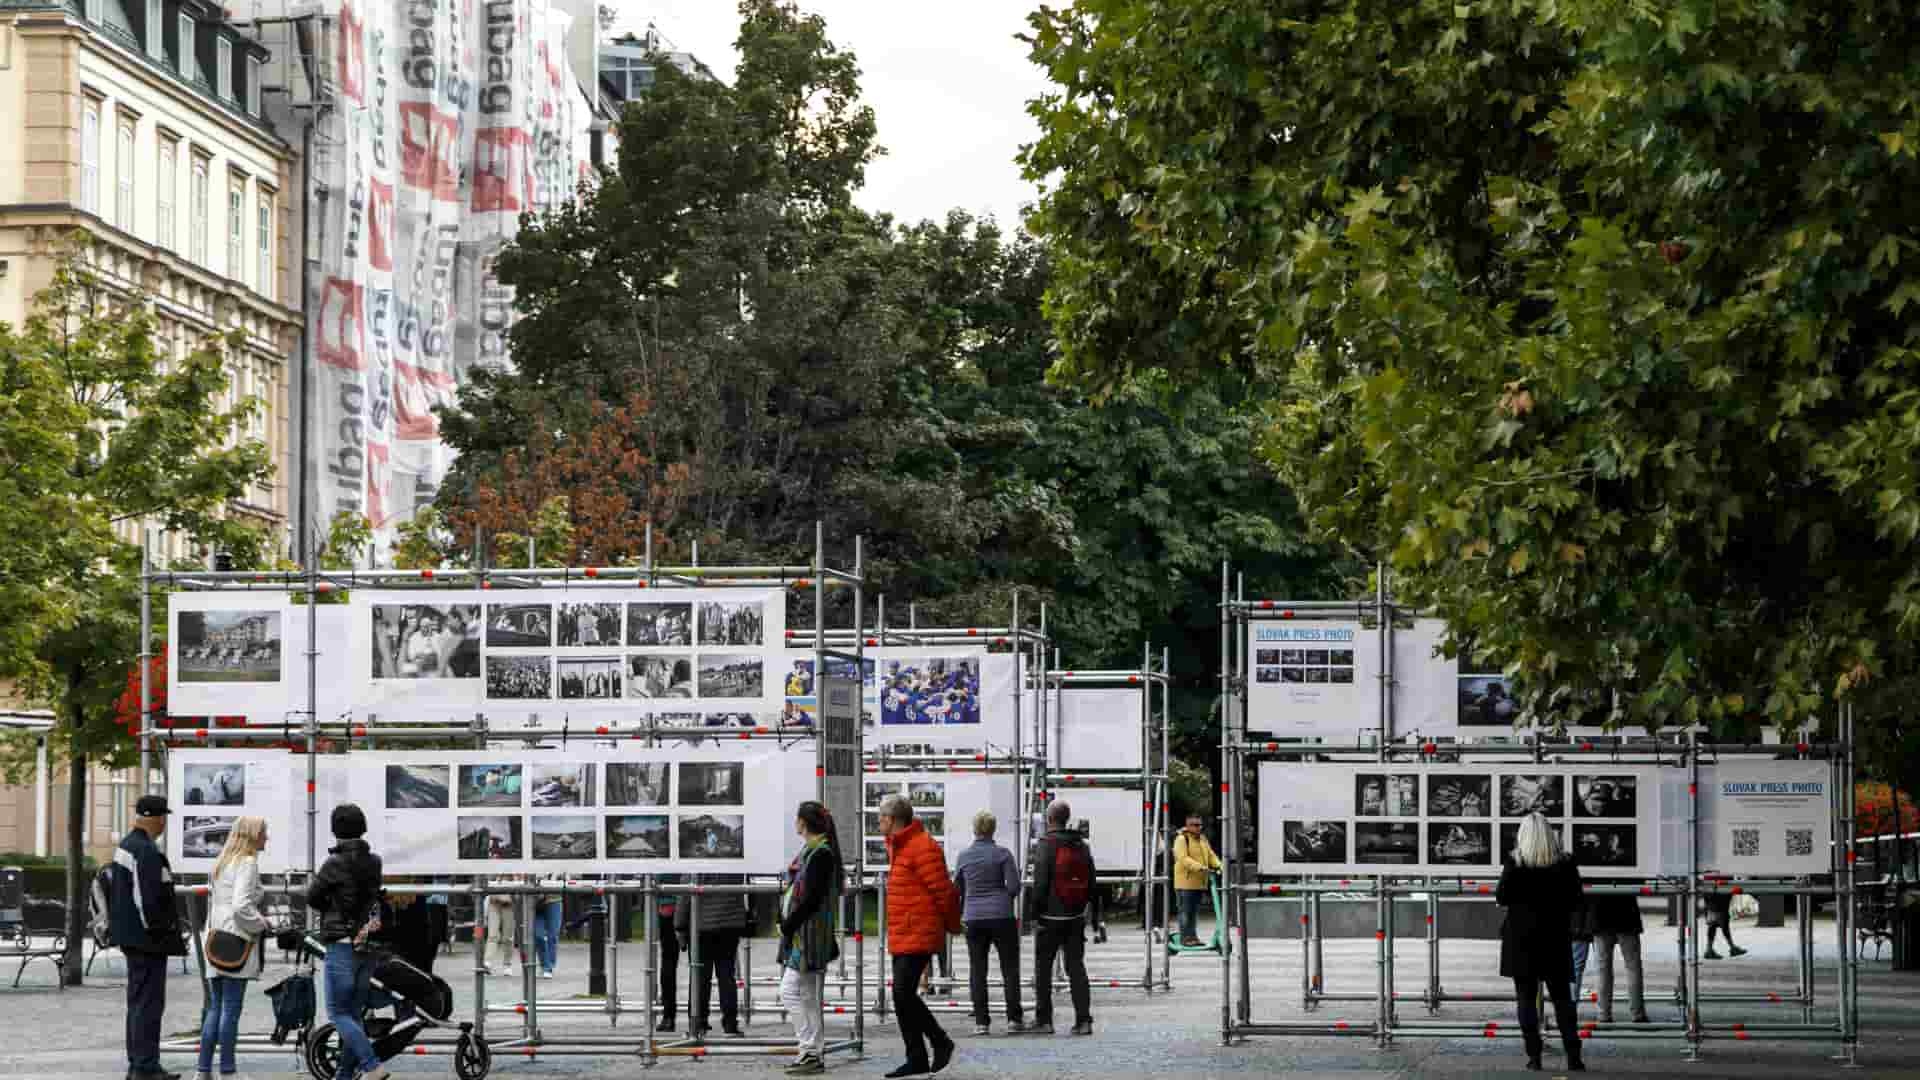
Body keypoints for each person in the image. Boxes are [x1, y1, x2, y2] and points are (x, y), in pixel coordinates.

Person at [1497, 813, 1586, 1072]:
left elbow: (1502, 896)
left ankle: (1534, 1057)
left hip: (1521, 940)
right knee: (1562, 999)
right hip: (1555, 938)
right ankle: (1573, 1056)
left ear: (1523, 836)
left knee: (1525, 999)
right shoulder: (1565, 862)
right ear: (1550, 835)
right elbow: (1576, 899)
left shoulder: (1515, 862)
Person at [308, 803, 390, 1080]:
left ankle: (371, 1065)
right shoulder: (375, 861)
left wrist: (331, 901)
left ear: (335, 830)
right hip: (367, 944)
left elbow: (312, 897)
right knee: (353, 1015)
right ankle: (344, 1075)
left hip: (341, 943)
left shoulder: (334, 863)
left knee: (337, 1012)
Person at [879, 793, 959, 1077]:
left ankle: (940, 1042)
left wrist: (952, 925)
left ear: (893, 819)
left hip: (918, 931)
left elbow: (943, 891)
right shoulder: (900, 847)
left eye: (881, 817)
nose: (878, 822)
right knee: (901, 995)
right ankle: (917, 1056)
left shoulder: (922, 847)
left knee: (902, 992)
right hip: (906, 931)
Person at [111, 794, 186, 1080]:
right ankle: (145, 1067)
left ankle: (139, 1064)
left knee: (138, 1003)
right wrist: (160, 931)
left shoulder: (127, 846)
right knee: (149, 1005)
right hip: (148, 941)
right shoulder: (145, 851)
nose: (164, 823)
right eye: (163, 817)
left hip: (134, 939)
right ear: (154, 818)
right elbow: (146, 900)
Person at [197, 816, 270, 1080]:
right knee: (231, 1009)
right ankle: (228, 1071)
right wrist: (261, 923)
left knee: (215, 1008)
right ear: (252, 835)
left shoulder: (222, 862)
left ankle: (203, 1070)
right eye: (264, 832)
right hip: (237, 938)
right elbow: (241, 906)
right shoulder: (247, 862)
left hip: (215, 936)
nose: (267, 837)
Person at [779, 803, 843, 1076]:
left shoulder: (820, 854)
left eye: (797, 819)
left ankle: (808, 1048)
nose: (795, 823)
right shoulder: (814, 852)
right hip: (807, 935)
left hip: (808, 936)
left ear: (803, 823)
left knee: (790, 991)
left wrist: (789, 924)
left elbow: (811, 899)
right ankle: (813, 1051)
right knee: (807, 996)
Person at [953, 810, 1024, 1036]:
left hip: (973, 917)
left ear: (975, 829)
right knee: (1010, 969)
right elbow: (1014, 886)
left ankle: (982, 1022)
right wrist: (1002, 898)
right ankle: (1014, 1019)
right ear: (993, 830)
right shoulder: (1003, 854)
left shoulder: (963, 856)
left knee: (977, 969)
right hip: (1002, 916)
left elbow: (958, 889)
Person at [1029, 800, 1096, 1036]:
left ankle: (1044, 1020)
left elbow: (1040, 883)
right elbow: (1092, 879)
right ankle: (1084, 1020)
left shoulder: (1046, 844)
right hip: (1075, 915)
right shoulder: (1081, 844)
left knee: (1044, 969)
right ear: (1066, 819)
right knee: (1076, 967)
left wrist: (1033, 915)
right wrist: (1091, 912)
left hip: (1050, 917)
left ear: (1049, 819)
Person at [677, 873, 750, 1037]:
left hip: (701, 926)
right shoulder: (734, 862)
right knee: (727, 977)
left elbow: (684, 896)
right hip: (729, 925)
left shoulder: (694, 861)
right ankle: (730, 1023)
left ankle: (698, 1022)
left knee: (700, 978)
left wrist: (679, 926)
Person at [1590, 892, 1649, 1024]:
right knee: (1633, 967)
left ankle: (1603, 1014)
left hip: (1600, 915)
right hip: (1626, 913)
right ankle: (1638, 1014)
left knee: (1602, 969)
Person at [1172, 815, 1222, 947]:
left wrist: (1219, 865)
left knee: (1193, 913)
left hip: (1199, 883)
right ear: (1188, 826)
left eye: (1200, 825)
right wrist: (1200, 868)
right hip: (1185, 883)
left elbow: (1211, 855)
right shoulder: (1181, 839)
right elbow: (1183, 858)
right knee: (1185, 912)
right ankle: (1185, 938)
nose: (1198, 827)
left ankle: (1193, 937)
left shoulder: (1202, 839)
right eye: (1195, 825)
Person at [655, 873, 683, 1032]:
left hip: (668, 905)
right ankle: (700, 1017)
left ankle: (668, 1016)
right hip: (695, 902)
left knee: (668, 963)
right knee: (700, 964)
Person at [483, 875, 516, 976]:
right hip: (494, 902)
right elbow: (488, 880)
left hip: (509, 904)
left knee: (508, 937)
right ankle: (487, 963)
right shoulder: (494, 861)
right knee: (492, 934)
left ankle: (507, 964)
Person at [532, 881, 562, 980]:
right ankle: (546, 965)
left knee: (552, 935)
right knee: (538, 935)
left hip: (554, 899)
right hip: (534, 900)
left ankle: (548, 967)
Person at [1703, 892, 1746, 958]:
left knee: (1714, 925)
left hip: (1711, 900)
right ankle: (1732, 948)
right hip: (1718, 900)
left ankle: (1709, 949)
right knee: (1722, 923)